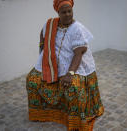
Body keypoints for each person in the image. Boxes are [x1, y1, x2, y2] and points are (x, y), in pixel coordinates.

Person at [26, 0, 104, 130]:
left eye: (70, 11)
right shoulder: (50, 24)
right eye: (64, 12)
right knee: (32, 79)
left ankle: (74, 119)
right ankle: (40, 113)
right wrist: (44, 57)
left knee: (72, 86)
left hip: (75, 66)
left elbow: (78, 54)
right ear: (58, 12)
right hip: (52, 64)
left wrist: (70, 74)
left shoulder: (77, 28)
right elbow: (42, 36)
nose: (67, 14)